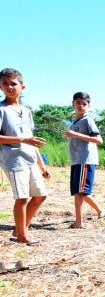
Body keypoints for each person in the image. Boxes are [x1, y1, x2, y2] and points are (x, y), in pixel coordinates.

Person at [0, 68, 50, 246]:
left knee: (40, 195)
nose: (9, 87)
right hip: (13, 160)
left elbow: (32, 140)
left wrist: (42, 165)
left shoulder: (26, 111)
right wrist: (22, 139)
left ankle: (19, 228)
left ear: (23, 87)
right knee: (21, 198)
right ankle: (22, 235)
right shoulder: (2, 110)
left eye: (13, 83)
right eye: (5, 83)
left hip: (29, 160)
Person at [65, 91, 105, 228]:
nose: (81, 106)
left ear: (89, 105)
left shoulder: (87, 120)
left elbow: (98, 140)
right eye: (78, 103)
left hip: (85, 160)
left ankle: (79, 222)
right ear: (73, 104)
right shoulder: (75, 121)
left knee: (80, 191)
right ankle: (101, 211)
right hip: (77, 160)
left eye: (84, 104)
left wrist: (75, 134)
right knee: (79, 191)